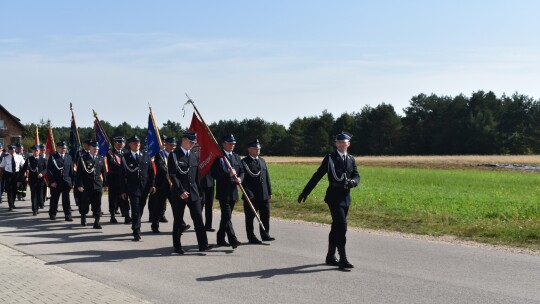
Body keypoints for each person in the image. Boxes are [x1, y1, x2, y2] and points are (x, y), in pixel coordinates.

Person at [297, 132, 360, 270]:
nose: (341, 144)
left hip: (345, 197)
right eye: (338, 142)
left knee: (336, 227)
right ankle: (343, 258)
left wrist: (353, 182)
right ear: (336, 144)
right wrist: (305, 192)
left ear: (348, 144)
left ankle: (330, 256)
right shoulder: (330, 158)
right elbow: (317, 175)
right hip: (333, 197)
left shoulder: (351, 159)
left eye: (344, 142)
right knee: (342, 226)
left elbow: (356, 175)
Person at [168, 132, 213, 254]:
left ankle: (203, 244)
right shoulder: (174, 156)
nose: (192, 144)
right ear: (184, 140)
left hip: (194, 193)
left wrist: (200, 194)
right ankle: (177, 246)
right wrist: (180, 191)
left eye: (194, 143)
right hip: (179, 193)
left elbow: (196, 178)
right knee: (178, 219)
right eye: (191, 142)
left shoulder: (194, 157)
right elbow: (172, 175)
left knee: (198, 218)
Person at [211, 134, 244, 249]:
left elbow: (242, 171)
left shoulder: (236, 157)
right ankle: (233, 239)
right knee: (227, 215)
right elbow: (214, 174)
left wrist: (240, 178)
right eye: (230, 143)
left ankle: (220, 238)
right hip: (223, 192)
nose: (232, 145)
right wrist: (227, 175)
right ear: (224, 144)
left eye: (233, 143)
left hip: (233, 191)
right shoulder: (219, 158)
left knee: (226, 217)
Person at [121, 135, 156, 241]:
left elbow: (151, 172)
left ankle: (135, 224)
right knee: (135, 210)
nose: (137, 144)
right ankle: (136, 231)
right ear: (130, 144)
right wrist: (123, 190)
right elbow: (122, 176)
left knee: (140, 208)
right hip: (132, 188)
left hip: (144, 188)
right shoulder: (125, 157)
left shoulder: (145, 155)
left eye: (138, 142)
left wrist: (152, 185)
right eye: (135, 143)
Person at [241, 139, 275, 244]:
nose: (258, 150)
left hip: (263, 194)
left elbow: (266, 177)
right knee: (250, 217)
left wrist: (269, 191)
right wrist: (248, 193)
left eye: (259, 148)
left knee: (265, 215)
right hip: (251, 196)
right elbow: (243, 180)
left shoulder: (262, 161)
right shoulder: (244, 162)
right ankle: (251, 237)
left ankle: (265, 234)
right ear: (249, 150)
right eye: (255, 148)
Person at [148, 136, 176, 233]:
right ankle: (154, 225)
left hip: (173, 186)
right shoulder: (160, 155)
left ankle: (181, 224)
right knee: (159, 207)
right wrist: (170, 173)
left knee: (176, 206)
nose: (173, 147)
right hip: (162, 185)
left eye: (174, 145)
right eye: (171, 145)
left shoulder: (176, 155)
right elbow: (160, 167)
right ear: (166, 145)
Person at [47, 141, 75, 221]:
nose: (64, 149)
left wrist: (72, 182)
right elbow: (49, 170)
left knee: (66, 200)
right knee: (54, 199)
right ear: (58, 148)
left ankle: (68, 215)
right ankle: (52, 214)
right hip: (56, 182)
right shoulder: (53, 157)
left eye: (65, 148)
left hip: (66, 182)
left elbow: (71, 171)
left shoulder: (68, 157)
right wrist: (52, 181)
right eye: (62, 148)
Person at [106, 136, 129, 224]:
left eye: (122, 144)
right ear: (115, 143)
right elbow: (112, 163)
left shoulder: (126, 152)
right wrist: (124, 168)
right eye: (119, 144)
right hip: (114, 179)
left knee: (125, 197)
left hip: (124, 179)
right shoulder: (110, 152)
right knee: (113, 198)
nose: (120, 145)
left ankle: (126, 215)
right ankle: (112, 216)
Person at [20, 145, 47, 215]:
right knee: (34, 195)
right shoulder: (29, 159)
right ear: (32, 151)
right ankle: (34, 209)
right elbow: (24, 169)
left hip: (40, 180)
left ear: (39, 151)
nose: (36, 152)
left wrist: (42, 173)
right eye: (34, 151)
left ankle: (38, 206)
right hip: (32, 180)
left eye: (37, 151)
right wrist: (19, 178)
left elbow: (46, 169)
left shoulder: (43, 159)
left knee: (39, 195)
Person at [0, 145, 25, 211]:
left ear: (15, 150)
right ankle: (10, 205)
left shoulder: (19, 157)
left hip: (16, 174)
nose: (12, 151)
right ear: (9, 150)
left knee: (15, 189)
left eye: (13, 150)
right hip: (8, 174)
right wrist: (1, 175)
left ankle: (13, 203)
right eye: (11, 150)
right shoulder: (5, 157)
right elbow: (2, 167)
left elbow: (24, 165)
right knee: (9, 190)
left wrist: (25, 173)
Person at [39, 144, 48, 208]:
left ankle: (43, 201)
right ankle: (41, 203)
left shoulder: (48, 156)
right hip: (40, 175)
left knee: (45, 189)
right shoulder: (38, 156)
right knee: (40, 190)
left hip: (47, 176)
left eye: (44, 150)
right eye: (41, 150)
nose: (43, 151)